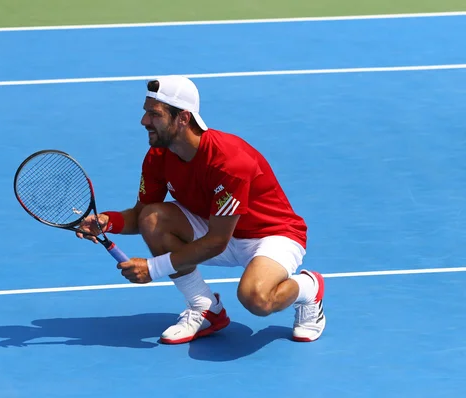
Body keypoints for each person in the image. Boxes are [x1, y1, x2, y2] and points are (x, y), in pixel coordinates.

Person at [77, 75, 325, 344]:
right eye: (145, 113)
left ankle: (308, 288)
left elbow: (216, 242)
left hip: (271, 235)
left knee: (256, 298)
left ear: (183, 118)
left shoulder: (229, 162)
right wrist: (106, 222)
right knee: (153, 218)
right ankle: (204, 308)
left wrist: (153, 268)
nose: (144, 121)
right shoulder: (158, 156)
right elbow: (141, 216)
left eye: (154, 114)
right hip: (216, 228)